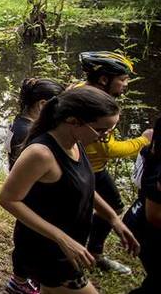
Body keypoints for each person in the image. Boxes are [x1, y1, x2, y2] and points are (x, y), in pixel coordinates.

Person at [0, 87, 140, 294]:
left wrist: (112, 218)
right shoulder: (41, 154)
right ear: (73, 121)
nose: (105, 137)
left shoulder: (75, 143)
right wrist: (62, 238)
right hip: (46, 248)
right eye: (101, 130)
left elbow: (83, 187)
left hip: (67, 243)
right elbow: (8, 199)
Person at [79, 51, 152, 274]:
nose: (126, 85)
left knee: (112, 205)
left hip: (93, 166)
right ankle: (83, 253)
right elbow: (109, 149)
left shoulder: (81, 90)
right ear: (104, 79)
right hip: (85, 168)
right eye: (122, 79)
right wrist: (143, 141)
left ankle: (93, 252)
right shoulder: (94, 105)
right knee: (87, 211)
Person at [3, 78, 65, 294]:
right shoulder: (28, 132)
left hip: (26, 189)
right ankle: (20, 280)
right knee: (29, 238)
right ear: (42, 104)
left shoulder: (21, 122)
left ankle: (23, 278)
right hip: (30, 193)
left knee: (28, 235)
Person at [124, 117, 161, 294]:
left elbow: (138, 182)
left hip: (138, 216)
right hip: (148, 229)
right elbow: (155, 217)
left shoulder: (150, 151)